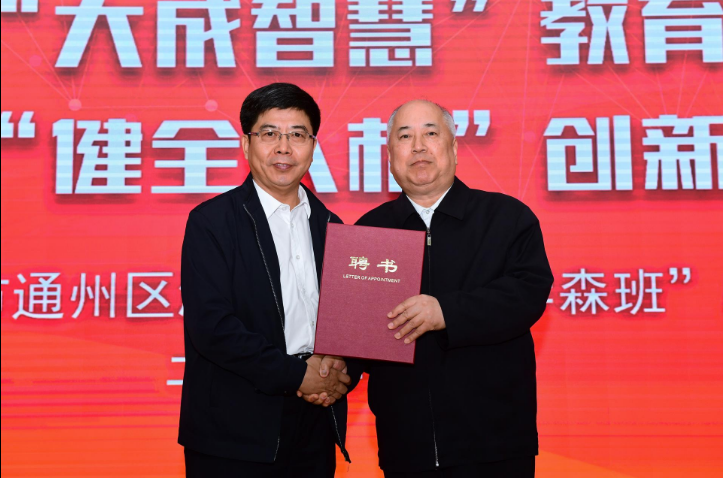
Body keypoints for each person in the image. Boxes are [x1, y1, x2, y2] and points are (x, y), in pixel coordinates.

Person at [356, 100, 554, 478]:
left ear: (454, 147)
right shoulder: (369, 231)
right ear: (390, 155)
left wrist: (445, 312)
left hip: (495, 442)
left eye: (431, 133)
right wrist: (335, 368)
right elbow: (360, 328)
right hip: (406, 443)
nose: (418, 146)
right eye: (405, 137)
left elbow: (528, 293)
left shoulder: (507, 217)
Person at [179, 83, 361, 477]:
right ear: (246, 144)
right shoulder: (212, 222)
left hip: (315, 422)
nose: (284, 147)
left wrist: (339, 372)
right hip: (233, 430)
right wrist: (297, 375)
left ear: (313, 146)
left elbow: (354, 324)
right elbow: (212, 328)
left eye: (297, 135)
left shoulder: (336, 229)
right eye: (269, 133)